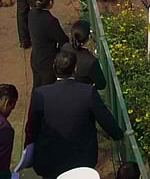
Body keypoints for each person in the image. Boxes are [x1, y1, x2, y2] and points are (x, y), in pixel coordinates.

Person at [23, 50, 123, 178]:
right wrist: (119, 135)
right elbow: (106, 120)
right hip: (82, 162)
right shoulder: (88, 92)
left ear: (54, 67)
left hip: (50, 162)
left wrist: (29, 154)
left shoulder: (39, 94)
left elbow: (31, 129)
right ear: (75, 68)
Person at [27, 0, 68, 88]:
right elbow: (63, 40)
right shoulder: (50, 21)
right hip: (47, 62)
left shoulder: (32, 13)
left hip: (35, 58)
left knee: (37, 88)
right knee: (48, 90)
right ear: (50, 3)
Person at [63, 19, 106, 90]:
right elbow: (101, 85)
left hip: (65, 89)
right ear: (88, 37)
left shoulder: (65, 47)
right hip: (82, 93)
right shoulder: (91, 61)